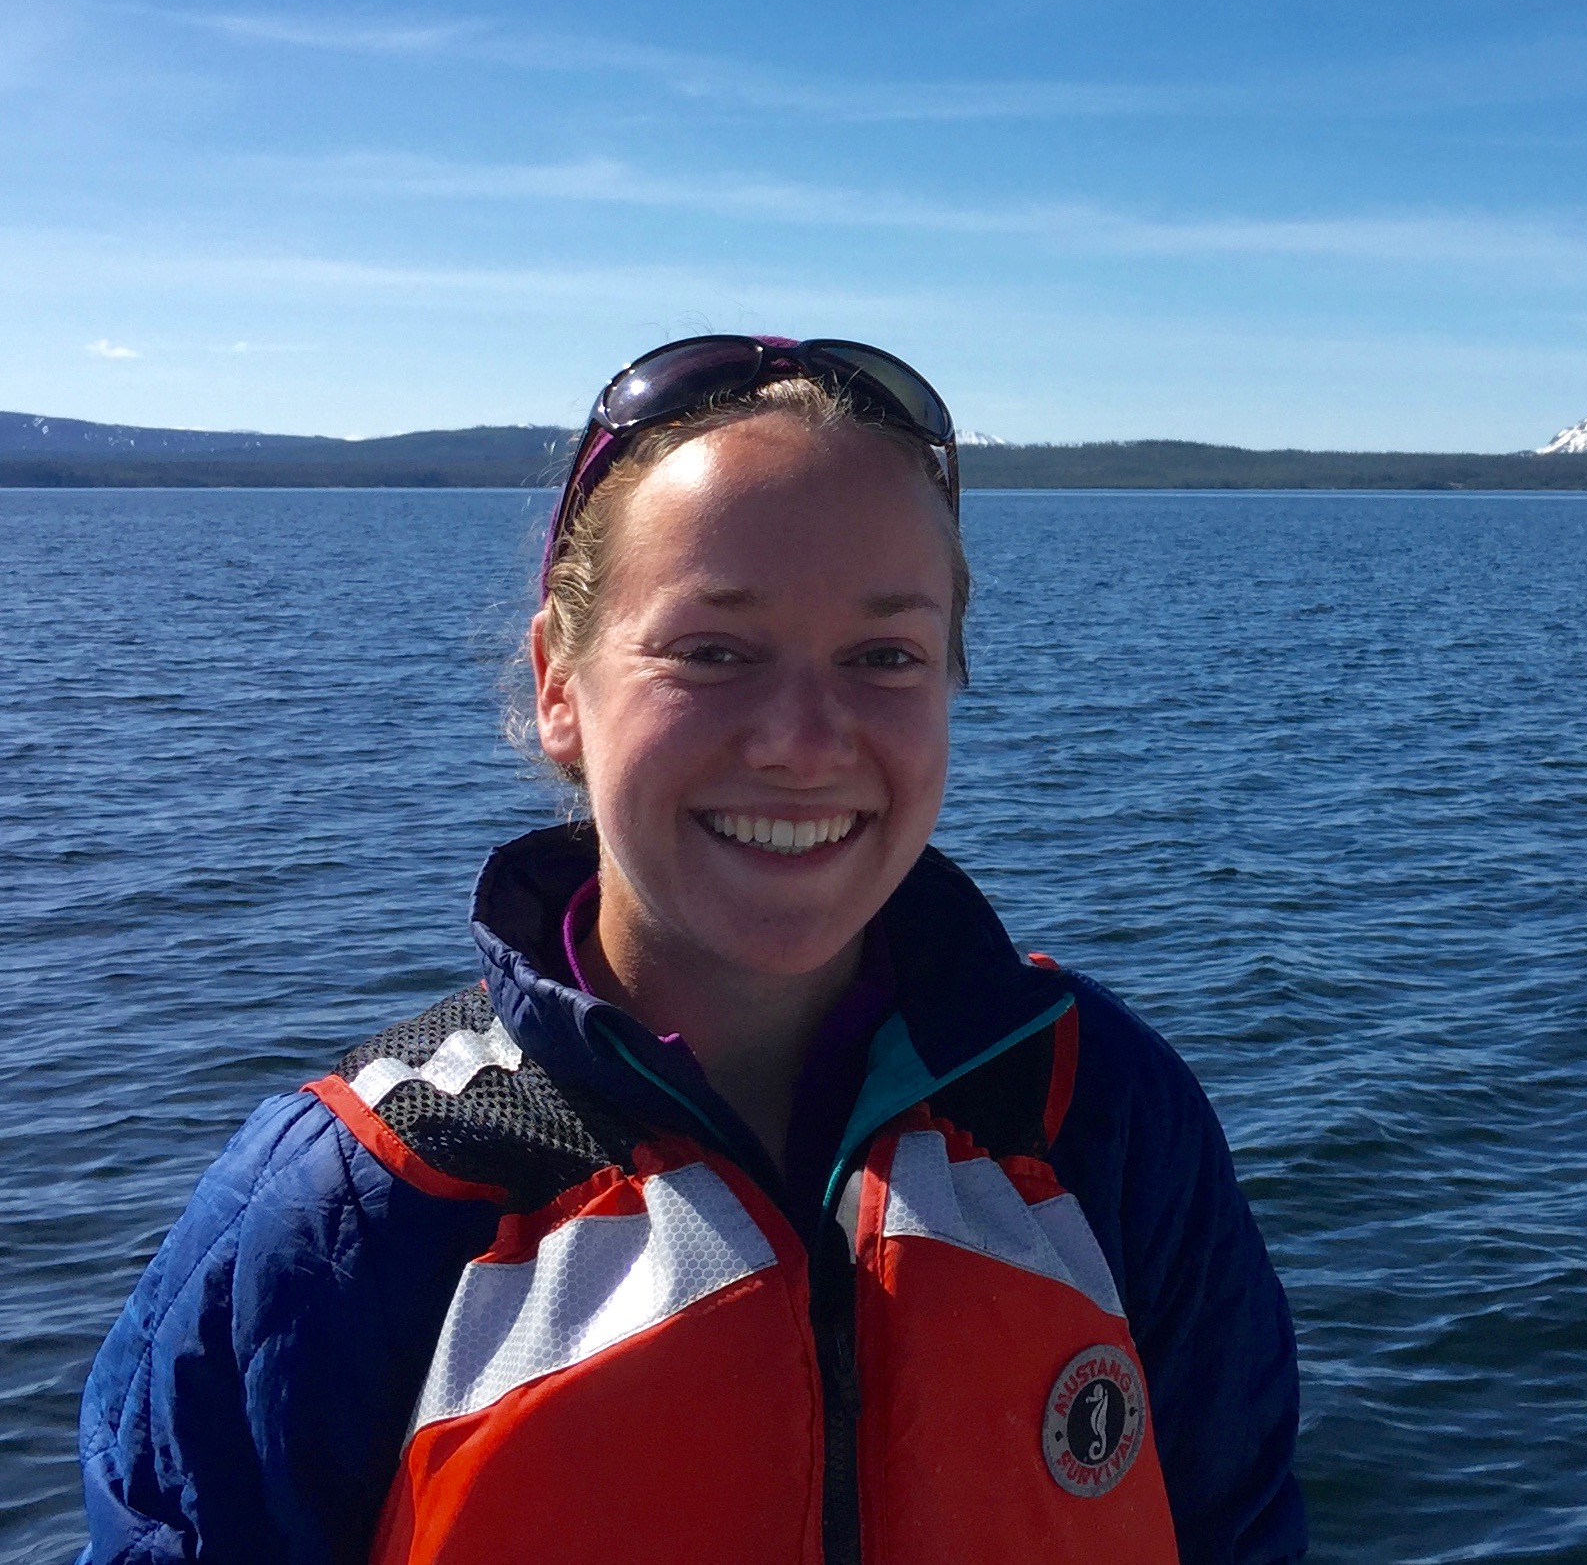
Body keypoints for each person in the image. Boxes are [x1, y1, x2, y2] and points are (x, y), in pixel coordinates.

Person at [75, 336, 1306, 1565]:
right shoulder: (360, 1204)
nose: (803, 741)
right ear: (560, 681)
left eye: (885, 657)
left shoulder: (1097, 1112)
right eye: (712, 651)